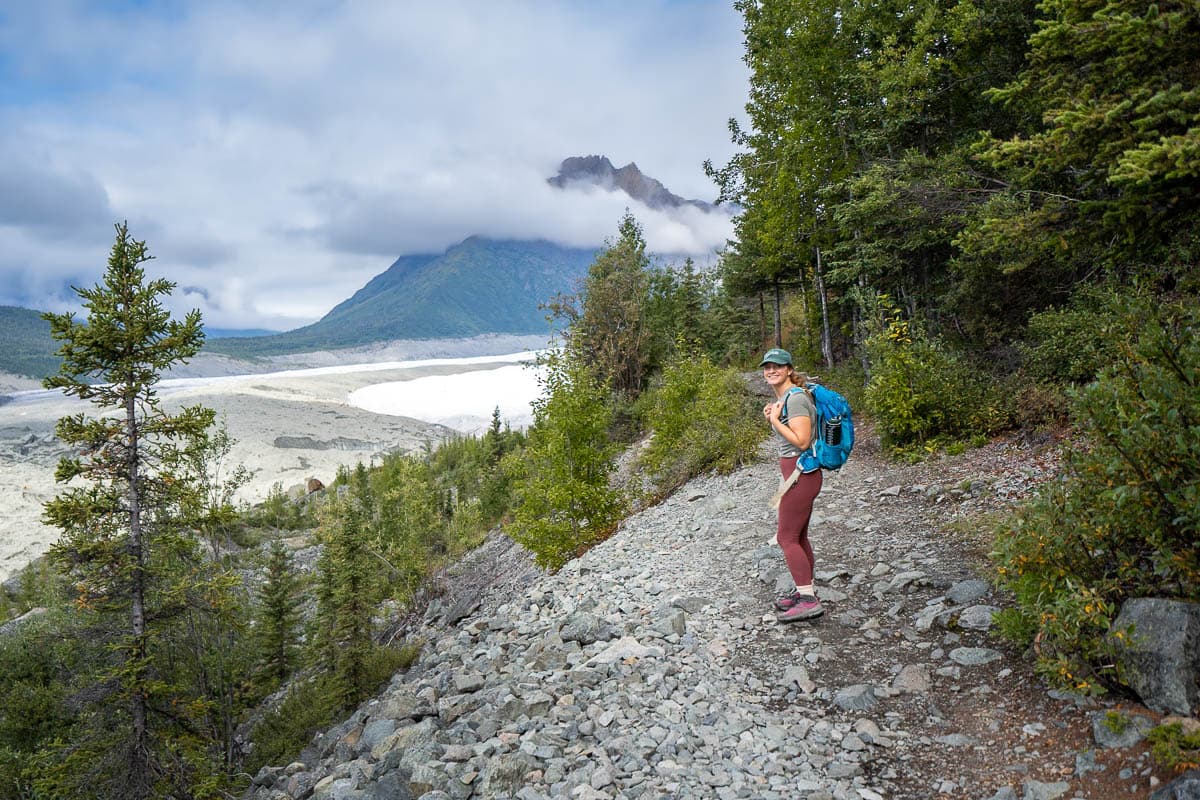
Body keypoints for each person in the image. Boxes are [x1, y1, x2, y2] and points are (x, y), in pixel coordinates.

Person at [760, 347, 824, 622]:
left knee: (786, 537)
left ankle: (808, 600)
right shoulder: (786, 397)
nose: (771, 371)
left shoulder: (796, 399)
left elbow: (802, 441)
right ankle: (804, 590)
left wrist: (775, 419)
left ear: (789, 369)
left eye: (777, 366)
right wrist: (774, 416)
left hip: (802, 474)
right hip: (798, 474)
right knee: (798, 536)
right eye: (767, 367)